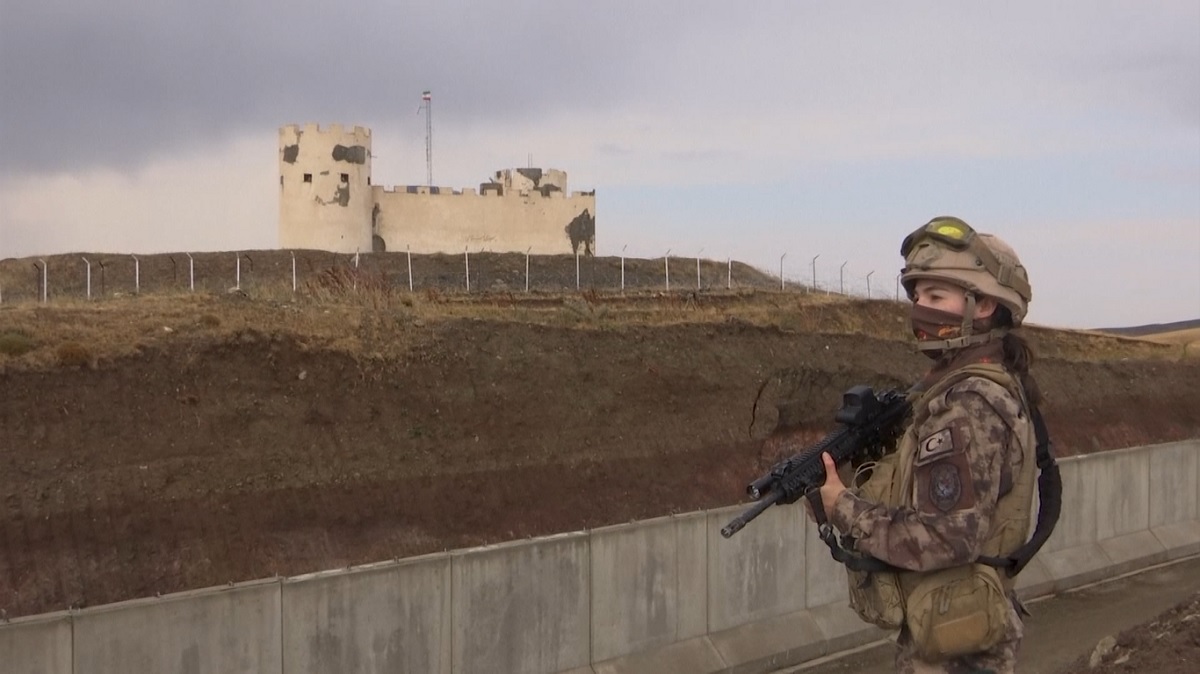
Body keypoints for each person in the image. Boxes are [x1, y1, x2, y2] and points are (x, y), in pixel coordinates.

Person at [815, 216, 1044, 674]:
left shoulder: (969, 405)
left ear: (981, 306)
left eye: (936, 296)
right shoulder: (960, 390)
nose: (921, 308)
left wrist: (843, 507)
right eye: (917, 296)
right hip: (954, 628)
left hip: (960, 649)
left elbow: (943, 537)